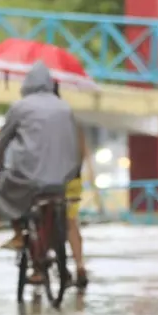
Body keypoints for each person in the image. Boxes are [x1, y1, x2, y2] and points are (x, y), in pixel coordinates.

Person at [0, 61, 82, 284]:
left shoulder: (21, 107)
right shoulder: (64, 107)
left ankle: (19, 233)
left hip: (27, 177)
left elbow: (1, 142)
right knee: (57, 213)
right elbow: (73, 143)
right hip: (61, 178)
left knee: (2, 192)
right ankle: (53, 252)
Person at [55, 80, 91, 289]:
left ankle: (38, 268)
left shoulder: (39, 119)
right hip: (73, 180)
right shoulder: (71, 120)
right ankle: (80, 266)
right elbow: (82, 151)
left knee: (37, 218)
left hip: (46, 180)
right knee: (71, 223)